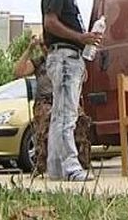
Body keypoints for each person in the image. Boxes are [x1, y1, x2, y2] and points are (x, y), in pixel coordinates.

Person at [41, 0, 101, 182]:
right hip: (65, 57)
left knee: (59, 115)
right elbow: (50, 22)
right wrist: (79, 37)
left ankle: (56, 167)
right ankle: (70, 167)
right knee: (67, 114)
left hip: (68, 57)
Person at [13, 35, 92, 176]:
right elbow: (18, 72)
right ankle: (44, 164)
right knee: (49, 118)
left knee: (80, 119)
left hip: (64, 99)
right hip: (45, 101)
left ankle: (81, 162)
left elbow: (83, 77)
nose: (45, 49)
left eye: (47, 45)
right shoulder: (39, 63)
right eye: (42, 46)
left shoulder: (65, 61)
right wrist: (30, 49)